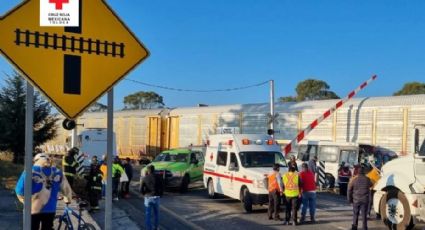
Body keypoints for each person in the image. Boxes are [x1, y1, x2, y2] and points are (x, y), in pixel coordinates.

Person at [15, 153, 73, 230]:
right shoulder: (58, 172)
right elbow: (66, 189)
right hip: (50, 209)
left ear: (36, 160)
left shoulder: (30, 170)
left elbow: (19, 190)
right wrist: (67, 200)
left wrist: (26, 201)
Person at [348, 165, 373, 230]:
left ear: (358, 172)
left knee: (355, 214)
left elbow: (349, 190)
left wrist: (349, 200)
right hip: (364, 200)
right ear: (364, 172)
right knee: (364, 215)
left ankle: (354, 227)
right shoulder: (367, 179)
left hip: (356, 200)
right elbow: (371, 185)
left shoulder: (354, 179)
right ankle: (364, 228)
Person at [142, 165, 164, 230]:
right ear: (154, 170)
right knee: (156, 214)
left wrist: (144, 194)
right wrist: (161, 194)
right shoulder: (159, 177)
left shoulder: (145, 178)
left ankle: (149, 228)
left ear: (148, 170)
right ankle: (156, 228)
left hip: (148, 198)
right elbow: (162, 187)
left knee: (147, 215)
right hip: (156, 197)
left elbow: (141, 189)